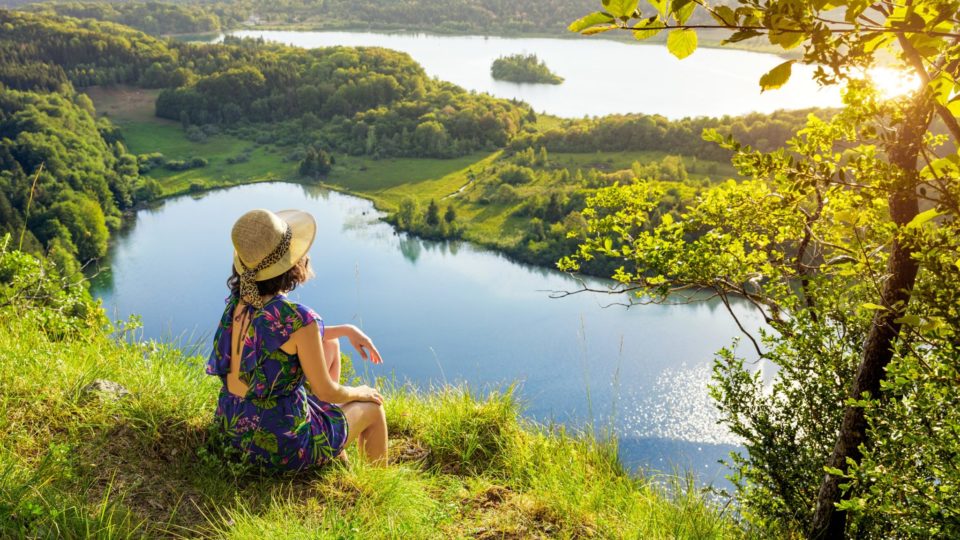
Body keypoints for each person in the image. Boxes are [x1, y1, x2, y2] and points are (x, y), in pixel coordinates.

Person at [206, 208, 388, 470]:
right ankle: (377, 488)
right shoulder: (298, 319)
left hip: (231, 430)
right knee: (372, 409)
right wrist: (360, 392)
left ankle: (333, 447)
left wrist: (345, 330)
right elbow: (327, 390)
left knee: (330, 344)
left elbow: (279, 337)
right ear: (292, 262)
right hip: (279, 447)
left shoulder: (239, 302)